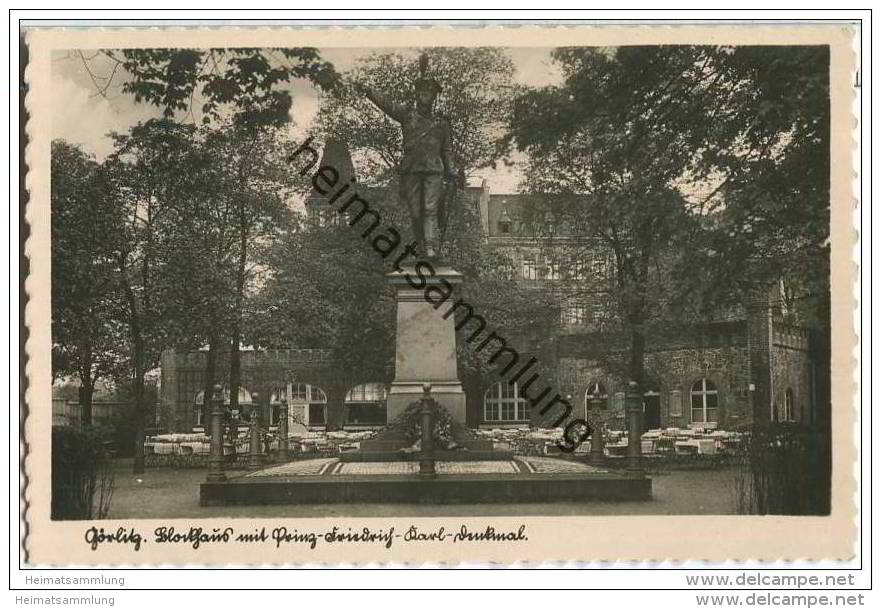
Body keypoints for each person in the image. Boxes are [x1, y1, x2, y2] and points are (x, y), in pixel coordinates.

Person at [360, 54, 457, 258]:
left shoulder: (442, 124)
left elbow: (447, 150)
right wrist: (369, 91)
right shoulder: (407, 115)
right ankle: (421, 245)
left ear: (433, 97)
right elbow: (387, 104)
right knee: (415, 212)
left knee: (430, 208)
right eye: (421, 92)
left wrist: (451, 169)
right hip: (411, 169)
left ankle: (430, 247)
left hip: (434, 170)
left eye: (428, 93)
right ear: (417, 94)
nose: (424, 96)